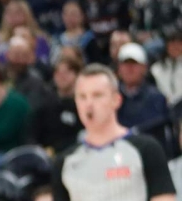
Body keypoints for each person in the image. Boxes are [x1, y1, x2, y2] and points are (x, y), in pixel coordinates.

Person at [51, 64, 176, 200]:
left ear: (116, 100)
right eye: (82, 97)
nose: (89, 104)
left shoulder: (146, 149)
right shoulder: (65, 162)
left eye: (97, 95)